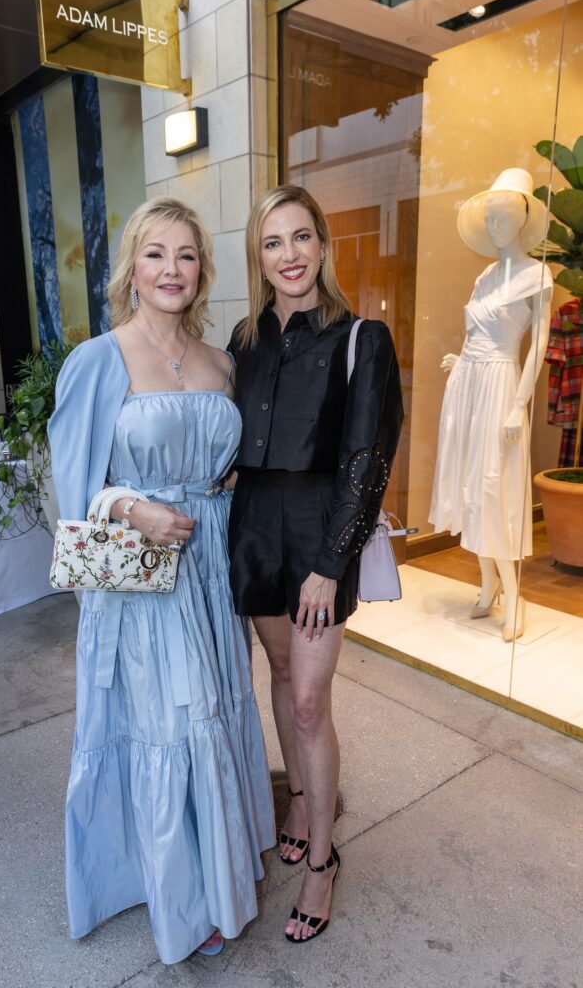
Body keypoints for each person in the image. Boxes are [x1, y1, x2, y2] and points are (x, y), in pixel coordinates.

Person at [47, 197, 275, 965]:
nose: (171, 269)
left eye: (185, 255)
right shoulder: (97, 359)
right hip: (142, 577)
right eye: (155, 254)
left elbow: (228, 463)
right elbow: (73, 489)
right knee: (164, 723)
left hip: (210, 570)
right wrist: (131, 506)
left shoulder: (222, 364)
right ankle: (182, 901)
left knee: (211, 707)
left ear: (201, 270)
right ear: (132, 271)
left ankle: (218, 870)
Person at [227, 185, 403, 944]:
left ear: (323, 246)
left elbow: (367, 460)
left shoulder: (361, 337)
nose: (289, 255)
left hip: (318, 540)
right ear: (257, 257)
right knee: (276, 674)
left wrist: (331, 565)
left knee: (307, 702)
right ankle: (297, 796)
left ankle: (322, 861)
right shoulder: (243, 341)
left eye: (301, 238)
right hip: (253, 529)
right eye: (273, 242)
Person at [429, 168, 552, 641]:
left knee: (494, 488)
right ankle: (487, 589)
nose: (497, 225)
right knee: (471, 488)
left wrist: (517, 403)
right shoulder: (484, 275)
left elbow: (536, 345)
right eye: (492, 217)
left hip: (501, 384)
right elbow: (476, 332)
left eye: (506, 217)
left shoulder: (536, 274)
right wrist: (461, 359)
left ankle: (514, 593)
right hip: (469, 384)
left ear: (522, 220)